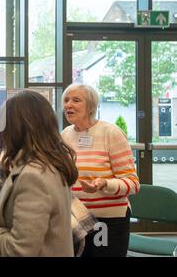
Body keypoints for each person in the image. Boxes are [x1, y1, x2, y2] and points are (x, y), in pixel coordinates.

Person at [0, 90, 79, 256]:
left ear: (16, 128)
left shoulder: (33, 175)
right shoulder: (47, 164)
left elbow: (19, 251)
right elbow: (24, 216)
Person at [61, 83, 140, 257]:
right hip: (75, 218)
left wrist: (105, 184)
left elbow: (133, 184)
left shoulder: (111, 133)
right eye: (66, 100)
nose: (68, 105)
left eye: (76, 100)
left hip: (108, 220)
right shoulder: (65, 134)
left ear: (91, 107)